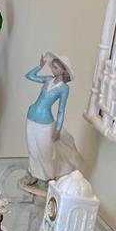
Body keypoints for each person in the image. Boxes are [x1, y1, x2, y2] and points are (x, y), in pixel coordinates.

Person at [25, 52, 83, 185]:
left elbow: (61, 110)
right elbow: (29, 76)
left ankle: (46, 177)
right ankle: (34, 173)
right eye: (53, 66)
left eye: (56, 68)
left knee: (45, 151)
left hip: (45, 121)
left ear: (64, 70)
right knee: (32, 148)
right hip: (31, 115)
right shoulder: (47, 79)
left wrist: (57, 129)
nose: (52, 69)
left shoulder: (64, 88)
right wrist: (39, 66)